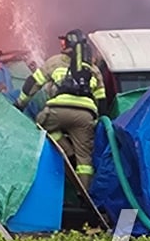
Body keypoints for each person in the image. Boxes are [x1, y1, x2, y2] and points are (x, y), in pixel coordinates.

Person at [24, 29, 107, 190]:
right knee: (85, 159)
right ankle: (84, 195)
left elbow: (32, 84)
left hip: (57, 110)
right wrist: (98, 121)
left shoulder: (55, 62)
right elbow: (102, 98)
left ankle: (67, 151)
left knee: (41, 126)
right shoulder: (93, 69)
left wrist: (20, 103)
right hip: (85, 115)